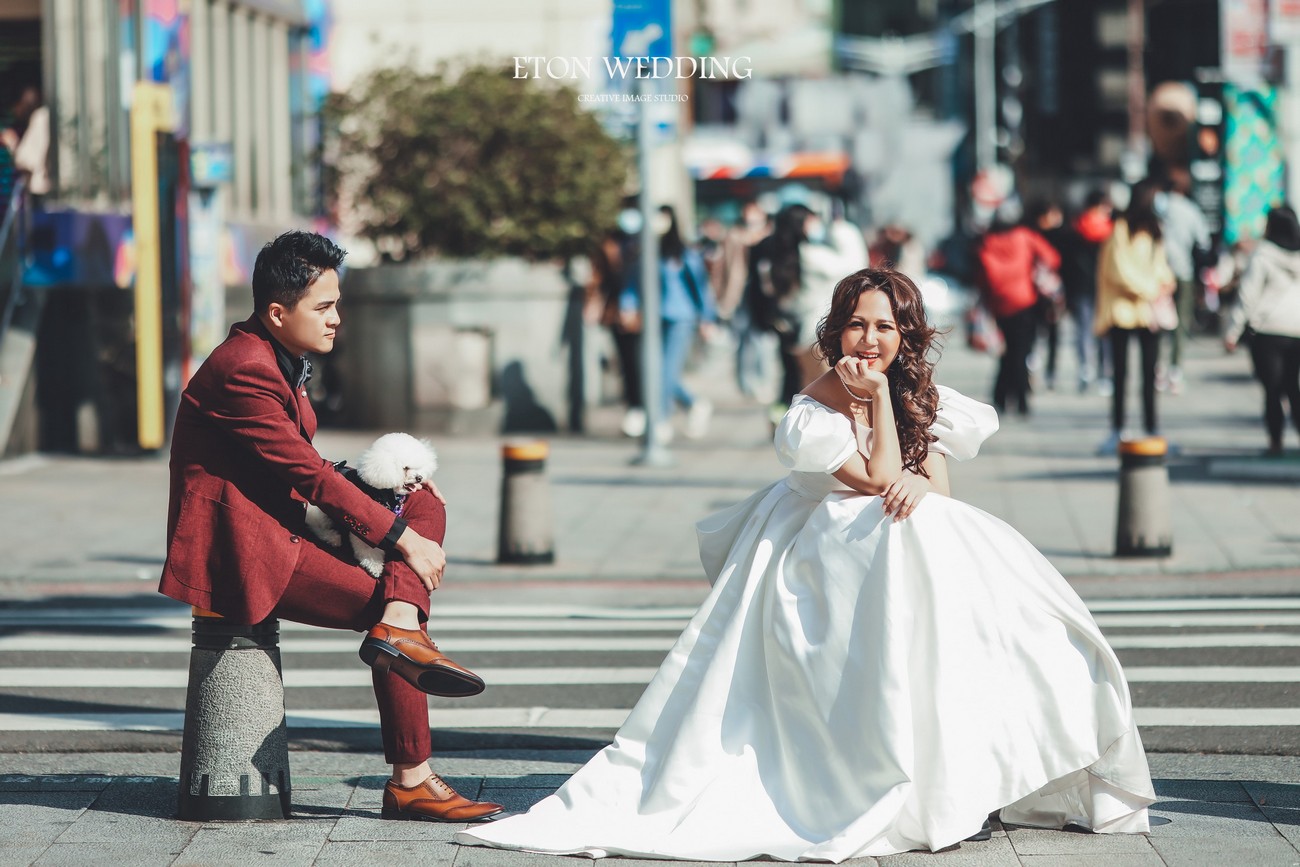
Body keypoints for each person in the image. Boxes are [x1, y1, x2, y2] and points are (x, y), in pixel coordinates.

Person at [457, 268, 1154, 861]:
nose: (870, 339)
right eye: (856, 324)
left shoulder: (922, 395)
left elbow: (930, 489)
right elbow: (879, 475)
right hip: (820, 548)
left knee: (963, 552)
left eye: (885, 326)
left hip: (889, 537)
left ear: (907, 334)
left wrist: (914, 469)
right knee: (910, 538)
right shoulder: (814, 407)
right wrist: (880, 409)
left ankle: (979, 747)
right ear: (836, 331)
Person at [159, 231, 502, 822]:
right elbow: (305, 473)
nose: (337, 319)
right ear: (277, 311)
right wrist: (400, 540)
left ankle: (399, 625)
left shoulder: (276, 355)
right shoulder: (243, 369)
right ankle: (412, 777)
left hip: (284, 519)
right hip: (246, 545)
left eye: (336, 303)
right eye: (323, 307)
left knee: (422, 500)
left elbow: (301, 463)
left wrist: (395, 486)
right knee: (392, 592)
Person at [621, 205, 717, 444]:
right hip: (653, 320)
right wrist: (628, 305)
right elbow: (633, 284)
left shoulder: (683, 253)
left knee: (665, 371)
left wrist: (707, 318)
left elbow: (701, 288)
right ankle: (693, 404)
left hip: (681, 319)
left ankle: (660, 420)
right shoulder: (644, 251)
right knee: (653, 370)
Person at [1095, 182, 1176, 455]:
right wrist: (1151, 289)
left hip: (1148, 313)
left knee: (1149, 374)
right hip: (1123, 311)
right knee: (1120, 373)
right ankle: (1117, 427)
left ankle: (1152, 426)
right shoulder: (1120, 229)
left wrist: (1167, 282)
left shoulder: (1155, 231)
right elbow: (1118, 270)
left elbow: (1162, 264)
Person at [1224, 205, 1300, 456]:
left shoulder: (1263, 255)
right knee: (1293, 388)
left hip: (1268, 331)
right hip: (1297, 329)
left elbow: (1247, 297)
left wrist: (1232, 332)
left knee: (1272, 390)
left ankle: (1275, 443)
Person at [977, 200, 1061, 415]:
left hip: (1000, 304)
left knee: (1008, 352)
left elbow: (982, 277)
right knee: (1021, 351)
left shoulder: (987, 242)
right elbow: (1052, 258)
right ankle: (1021, 399)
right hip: (1025, 301)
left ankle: (1001, 397)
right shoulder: (1024, 236)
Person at [1155, 169, 1212, 394]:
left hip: (1158, 271)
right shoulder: (1190, 210)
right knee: (1181, 321)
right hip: (1183, 271)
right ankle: (1175, 371)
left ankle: (1156, 369)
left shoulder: (1157, 206)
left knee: (1158, 321)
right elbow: (1203, 242)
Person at [1058, 190, 1114, 394]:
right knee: (1105, 332)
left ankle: (1085, 369)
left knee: (1083, 330)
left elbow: (1065, 264)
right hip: (1104, 287)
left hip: (1080, 287)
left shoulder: (1074, 229)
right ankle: (1105, 374)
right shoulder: (1110, 231)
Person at [1028, 200, 1068, 390]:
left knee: (1050, 333)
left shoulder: (1057, 235)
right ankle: (1036, 367)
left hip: (1046, 292)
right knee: (1040, 332)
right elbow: (1056, 260)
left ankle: (1048, 370)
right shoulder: (1035, 236)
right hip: (1040, 292)